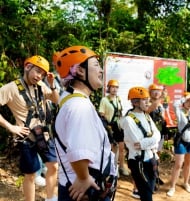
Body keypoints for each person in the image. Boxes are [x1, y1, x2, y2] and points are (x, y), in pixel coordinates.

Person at [53, 46, 117, 201]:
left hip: (78, 186)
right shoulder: (79, 106)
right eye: (96, 65)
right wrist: (83, 178)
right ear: (80, 71)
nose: (101, 70)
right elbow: (78, 151)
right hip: (84, 190)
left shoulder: (70, 99)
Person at [0, 55, 59, 201]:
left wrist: (52, 84)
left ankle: (51, 198)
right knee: (31, 174)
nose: (39, 76)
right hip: (26, 138)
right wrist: (11, 127)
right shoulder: (11, 88)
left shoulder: (41, 86)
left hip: (43, 135)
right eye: (37, 71)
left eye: (43, 74)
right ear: (27, 67)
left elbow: (56, 100)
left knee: (53, 167)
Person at [120, 86, 160, 201]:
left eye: (148, 99)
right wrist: (151, 141)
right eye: (144, 99)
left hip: (151, 158)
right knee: (146, 194)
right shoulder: (128, 120)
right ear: (135, 102)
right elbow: (136, 143)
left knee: (150, 191)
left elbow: (157, 135)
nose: (148, 102)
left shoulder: (146, 116)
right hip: (138, 161)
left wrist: (146, 143)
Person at [99, 79, 130, 176]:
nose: (114, 89)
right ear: (109, 88)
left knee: (121, 147)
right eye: (112, 87)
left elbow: (120, 112)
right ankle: (113, 167)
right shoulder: (104, 100)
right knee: (113, 148)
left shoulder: (118, 99)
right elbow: (101, 113)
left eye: (116, 87)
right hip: (110, 125)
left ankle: (121, 166)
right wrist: (107, 127)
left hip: (118, 125)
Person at [147, 84, 167, 190]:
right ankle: (151, 178)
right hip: (151, 135)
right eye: (154, 91)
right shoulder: (147, 103)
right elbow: (149, 109)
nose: (156, 93)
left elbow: (162, 119)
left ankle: (156, 175)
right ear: (149, 92)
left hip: (159, 134)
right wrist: (161, 97)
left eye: (158, 91)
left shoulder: (160, 105)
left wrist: (165, 131)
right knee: (151, 157)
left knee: (157, 157)